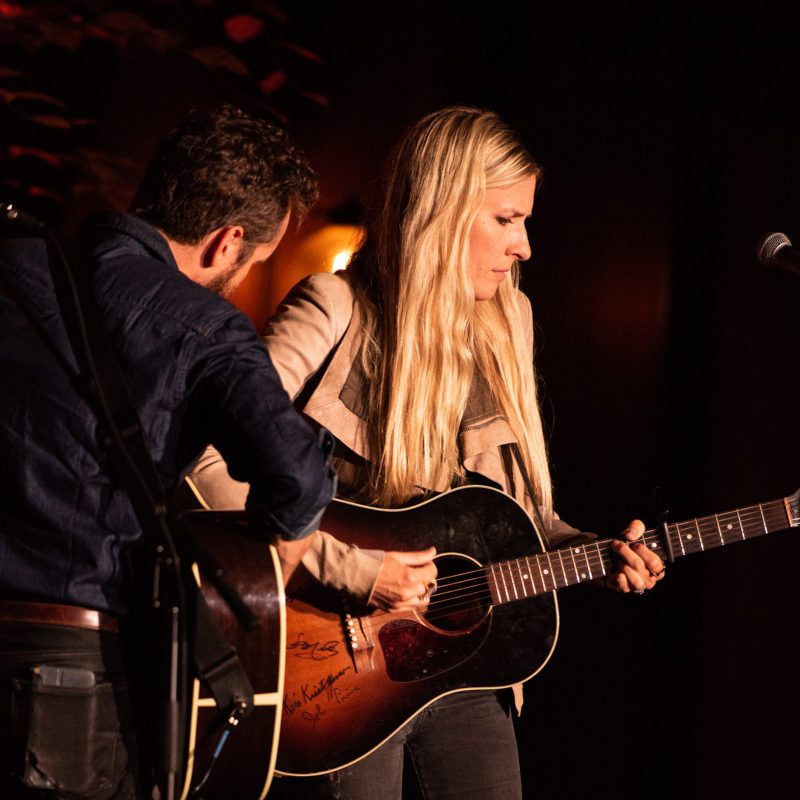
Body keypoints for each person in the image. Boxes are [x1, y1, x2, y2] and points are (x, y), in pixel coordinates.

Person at [189, 106, 666, 799]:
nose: (525, 246)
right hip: (340, 661)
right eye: (506, 219)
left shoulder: (511, 320)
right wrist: (352, 570)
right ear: (442, 210)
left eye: (525, 221)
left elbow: (519, 518)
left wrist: (594, 553)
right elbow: (204, 456)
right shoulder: (336, 305)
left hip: (469, 663)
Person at [0, 105, 337, 800]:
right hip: (64, 673)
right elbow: (297, 482)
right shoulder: (204, 327)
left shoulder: (11, 266)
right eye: (256, 264)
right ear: (226, 242)